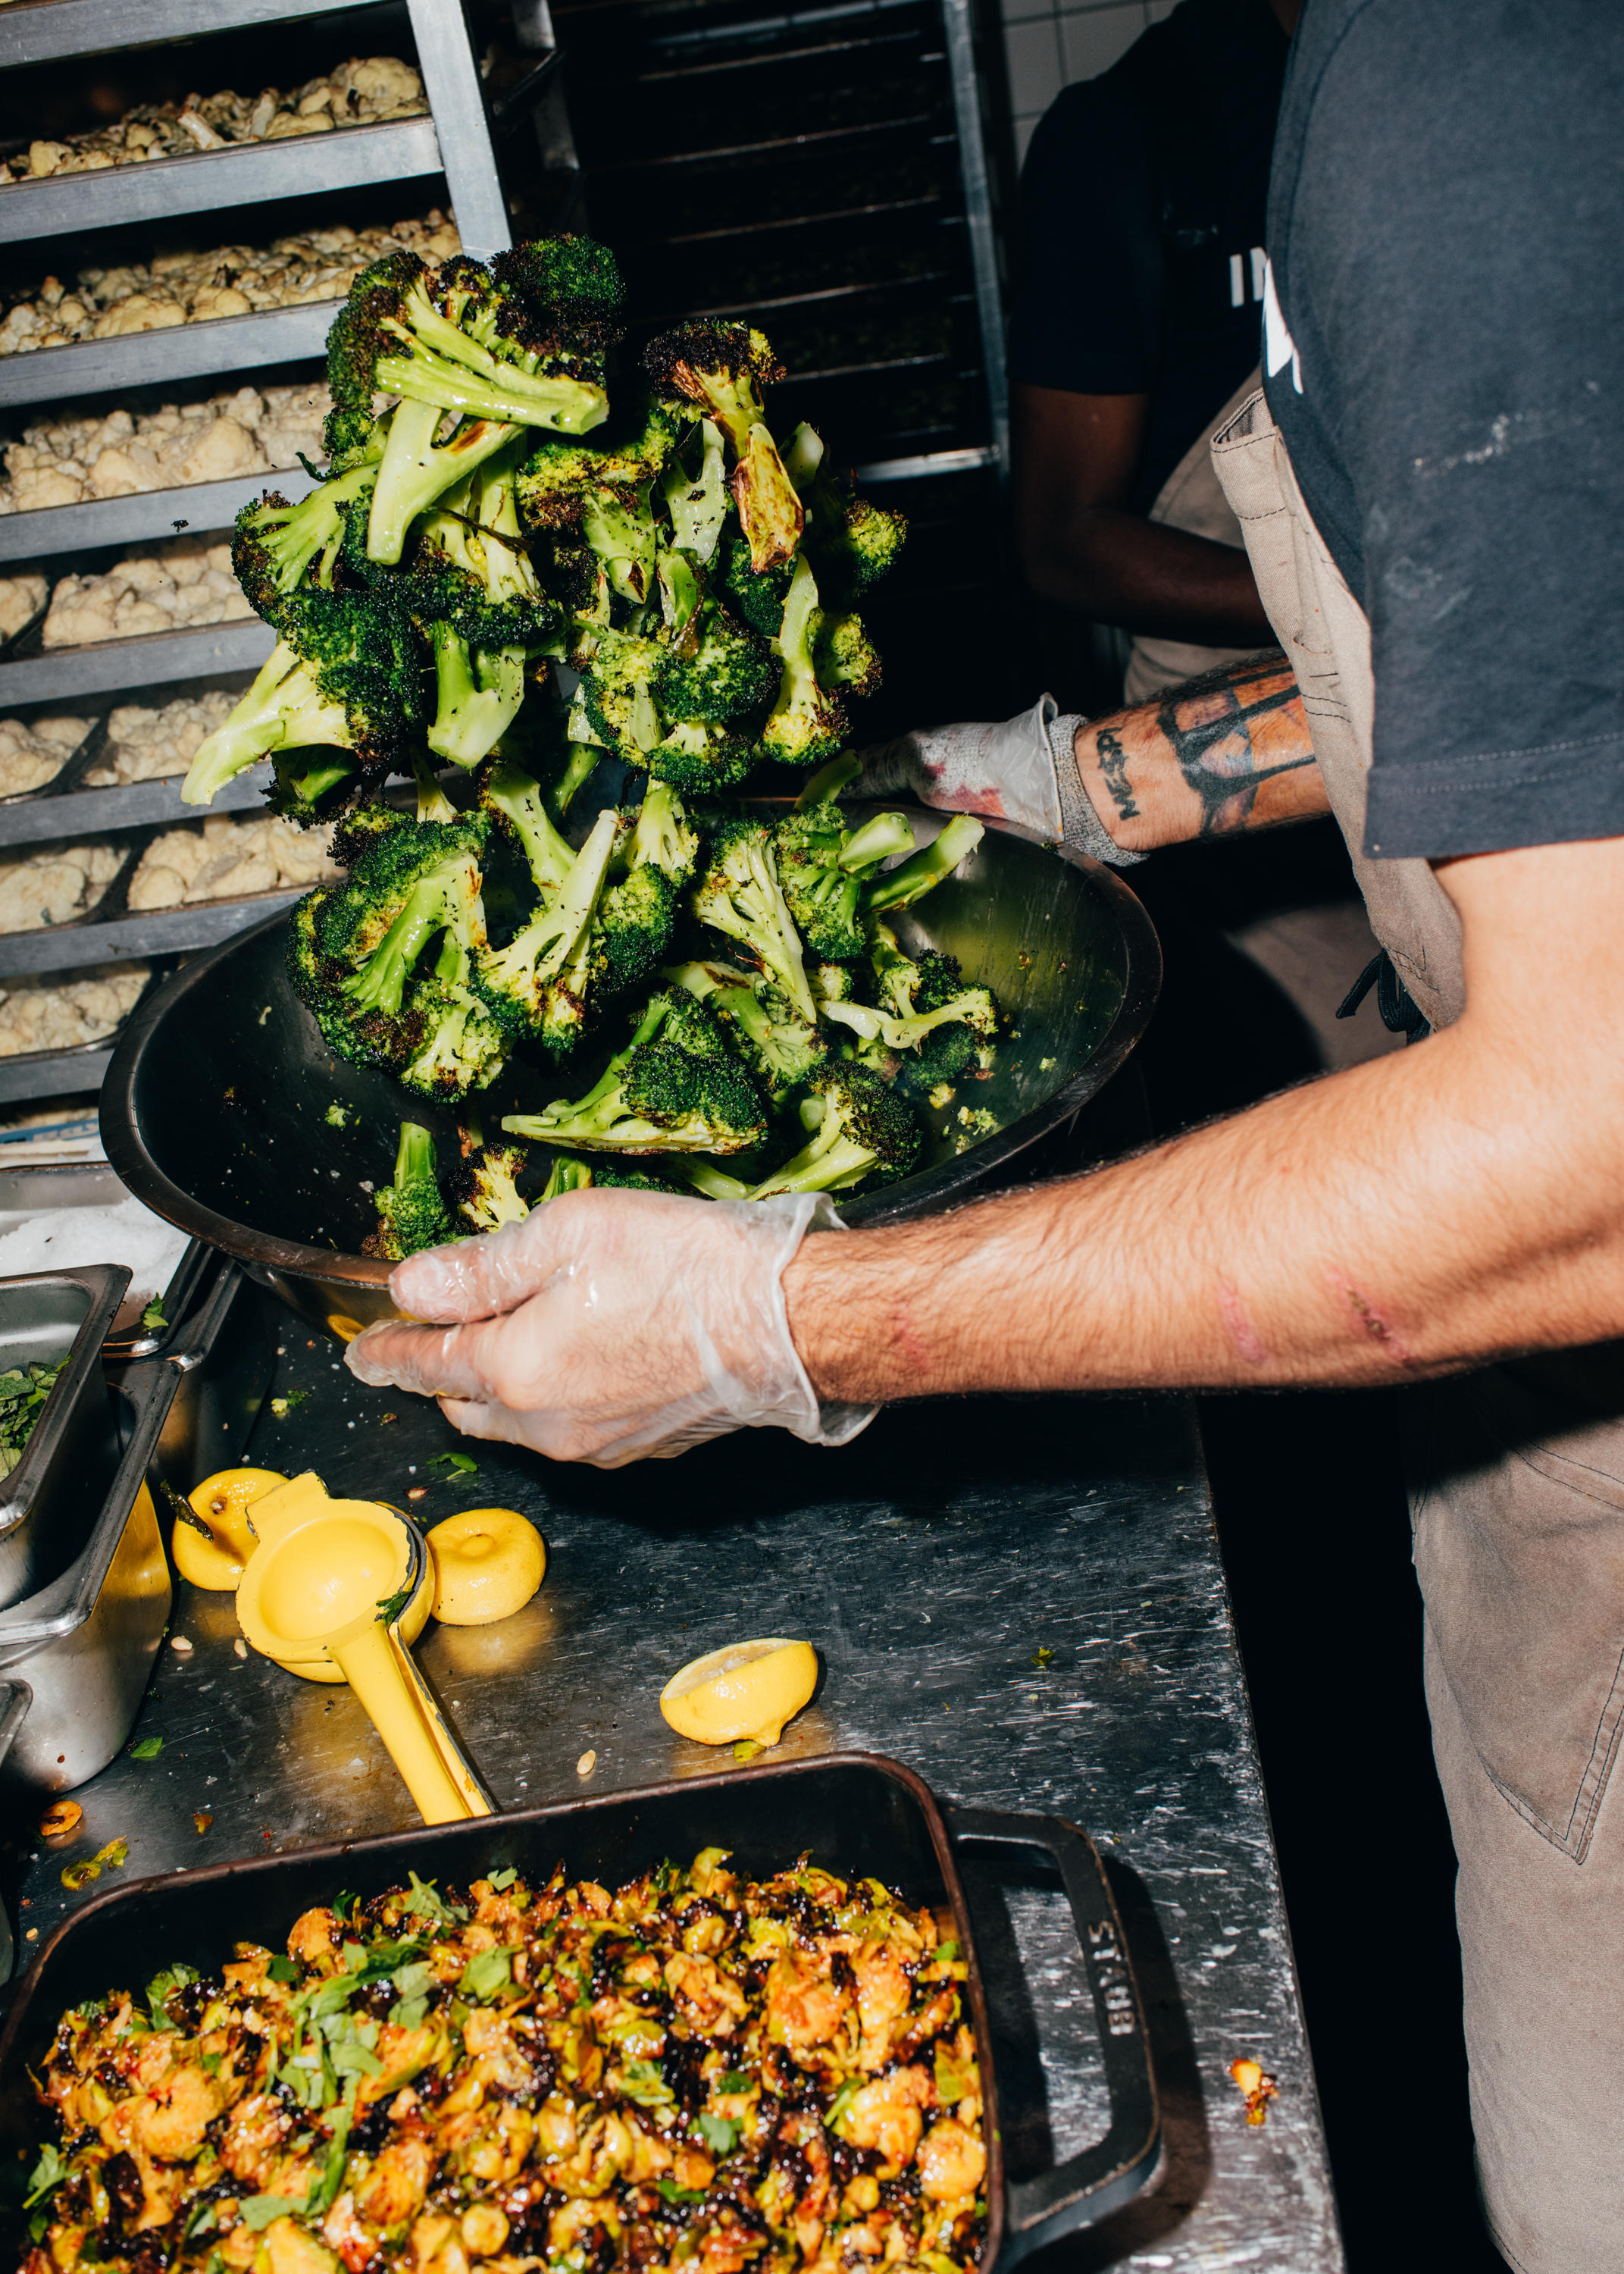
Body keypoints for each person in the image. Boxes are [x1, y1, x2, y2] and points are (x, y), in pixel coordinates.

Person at [349, 5, 1621, 2263]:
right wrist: (1053, 787)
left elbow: (1595, 1138)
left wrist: (782, 1315)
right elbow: (1544, 695)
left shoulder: (1469, 90)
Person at [1008, 0, 1296, 705]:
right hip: (1233, 702)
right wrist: (1344, 606)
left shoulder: (1428, 90)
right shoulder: (1121, 132)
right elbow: (1061, 538)